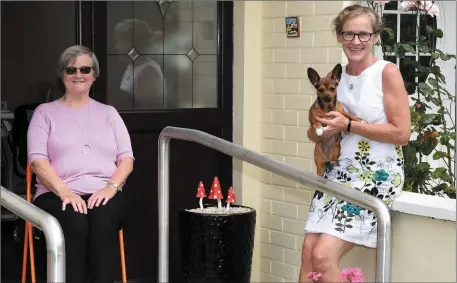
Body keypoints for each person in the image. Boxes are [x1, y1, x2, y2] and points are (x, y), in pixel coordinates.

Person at [300, 5, 410, 282]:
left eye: (363, 34)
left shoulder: (387, 72)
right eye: (349, 34)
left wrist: (349, 125)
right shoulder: (336, 78)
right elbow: (315, 133)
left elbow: (402, 134)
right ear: (339, 36)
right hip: (337, 172)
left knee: (323, 255)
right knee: (308, 251)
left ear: (375, 37)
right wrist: (318, 131)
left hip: (375, 175)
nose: (356, 41)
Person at [27, 45, 134, 283]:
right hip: (57, 192)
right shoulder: (44, 113)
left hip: (105, 191)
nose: (78, 74)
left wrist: (111, 187)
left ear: (94, 74)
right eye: (71, 69)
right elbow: (37, 161)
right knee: (74, 223)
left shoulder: (109, 113)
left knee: (103, 220)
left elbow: (127, 159)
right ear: (62, 74)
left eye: (85, 69)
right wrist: (65, 192)